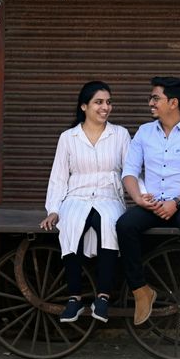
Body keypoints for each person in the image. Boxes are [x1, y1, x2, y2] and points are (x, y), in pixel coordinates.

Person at [117, 76, 180, 329]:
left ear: (173, 103)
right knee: (125, 226)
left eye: (155, 98)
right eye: (151, 98)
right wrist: (138, 197)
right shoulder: (144, 132)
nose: (150, 102)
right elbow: (129, 171)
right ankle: (141, 291)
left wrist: (177, 202)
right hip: (151, 202)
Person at [40, 80, 131, 323]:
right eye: (98, 102)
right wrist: (54, 210)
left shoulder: (120, 135)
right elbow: (58, 178)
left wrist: (143, 197)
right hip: (76, 197)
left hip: (109, 197)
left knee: (109, 222)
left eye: (108, 102)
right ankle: (74, 298)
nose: (105, 107)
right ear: (84, 106)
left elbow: (130, 172)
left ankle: (102, 297)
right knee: (70, 224)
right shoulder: (68, 138)